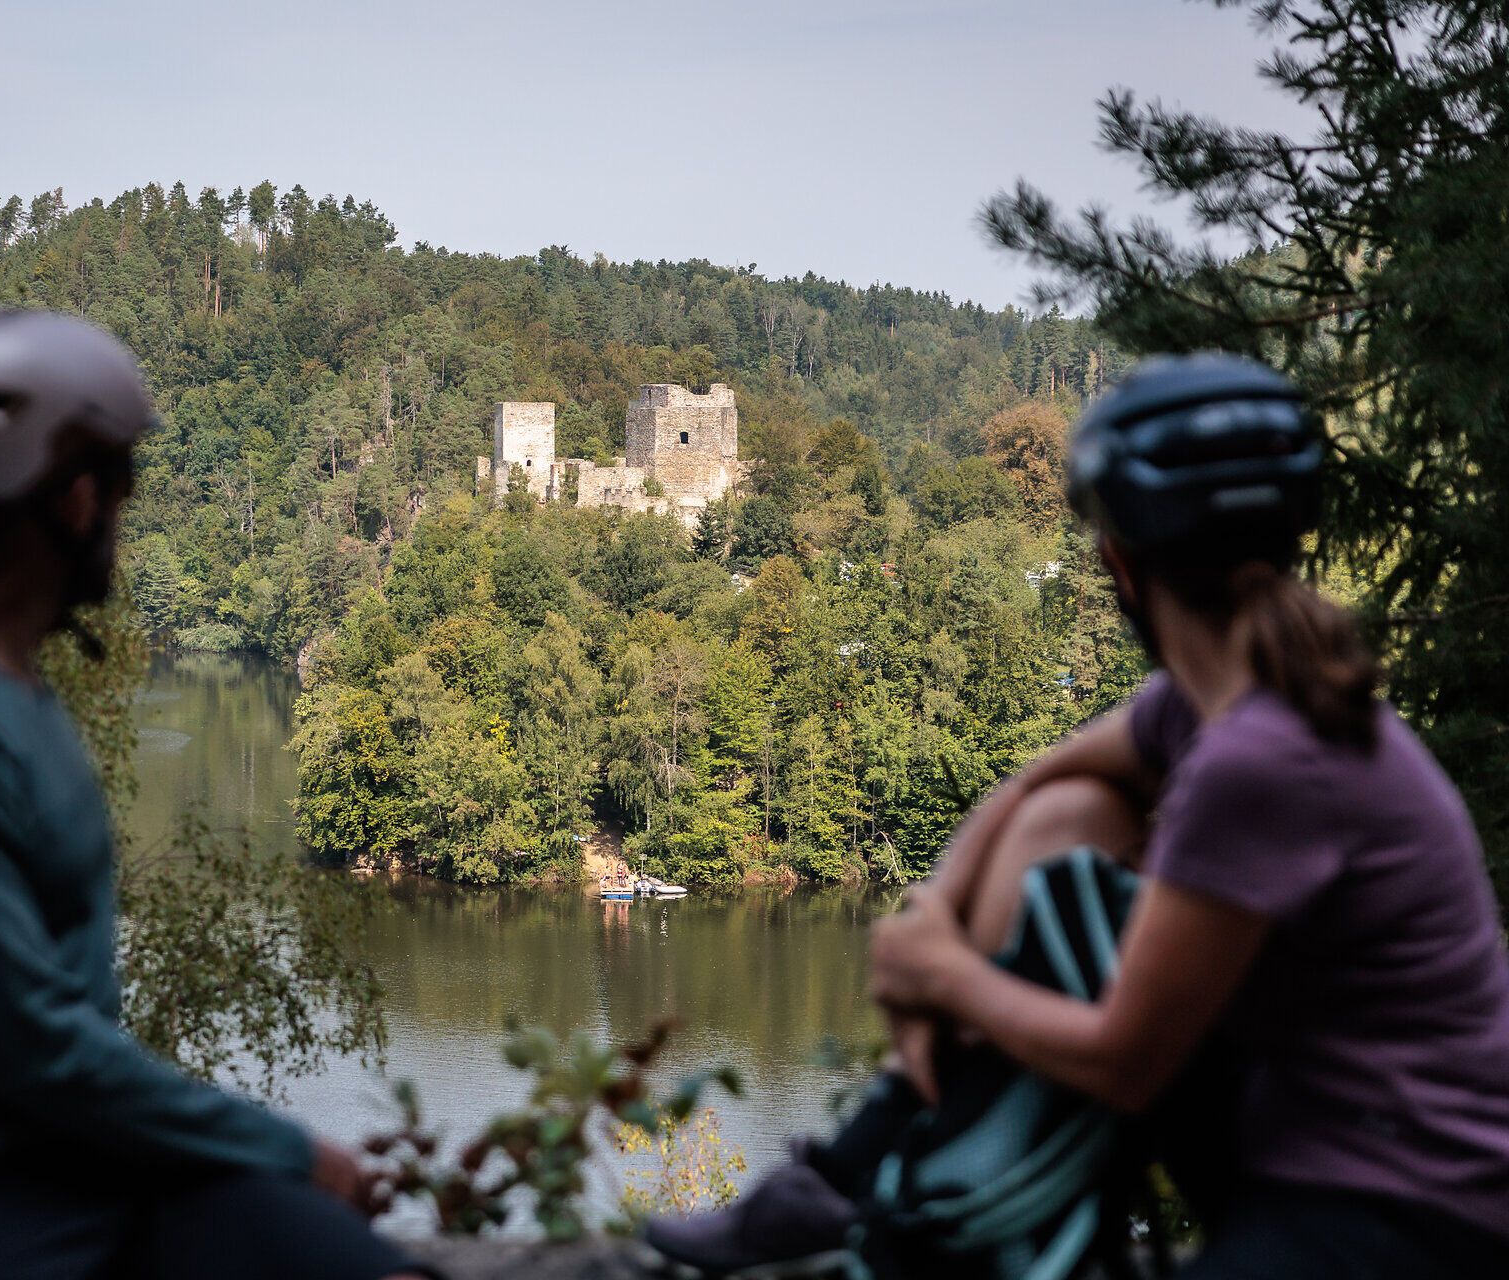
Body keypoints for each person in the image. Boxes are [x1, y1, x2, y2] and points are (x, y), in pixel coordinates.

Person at [645, 354, 1509, 1278]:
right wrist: (932, 910)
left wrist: (941, 974)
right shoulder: (1219, 700)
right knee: (1073, 816)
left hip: (1411, 1209)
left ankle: (874, 1194)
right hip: (1300, 1150)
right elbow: (1034, 789)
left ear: (1118, 565)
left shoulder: (1259, 758)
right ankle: (859, 1174)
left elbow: (1128, 1062)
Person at [0, 309, 431, 1280]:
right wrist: (292, 1149)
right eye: (123, 487)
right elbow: (36, 1048)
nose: (123, 516)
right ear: (73, 498)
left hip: (45, 1160)